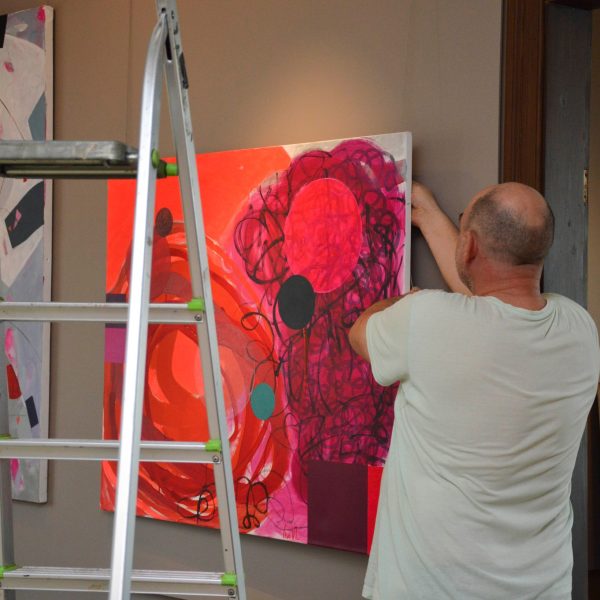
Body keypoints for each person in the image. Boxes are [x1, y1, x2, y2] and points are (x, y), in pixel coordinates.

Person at [349, 181, 600, 599]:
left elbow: (360, 334)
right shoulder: (579, 329)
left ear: (469, 247)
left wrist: (399, 304)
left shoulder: (426, 319)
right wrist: (431, 216)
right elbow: (497, 304)